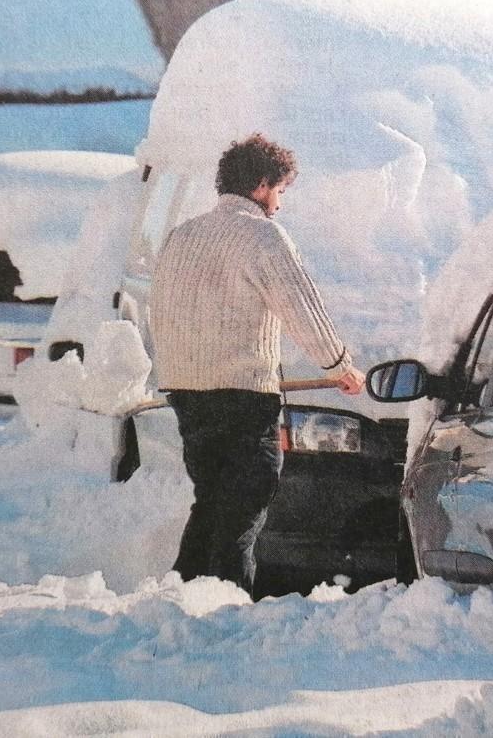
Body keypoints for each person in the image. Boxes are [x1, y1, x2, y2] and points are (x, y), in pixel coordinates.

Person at [149, 134, 364, 594]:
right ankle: (224, 608)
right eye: (281, 191)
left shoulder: (181, 236)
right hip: (245, 395)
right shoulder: (263, 235)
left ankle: (181, 598)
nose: (280, 204)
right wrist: (340, 367)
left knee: (211, 502)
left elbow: (160, 312)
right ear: (262, 184)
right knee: (245, 507)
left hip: (186, 393)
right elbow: (302, 308)